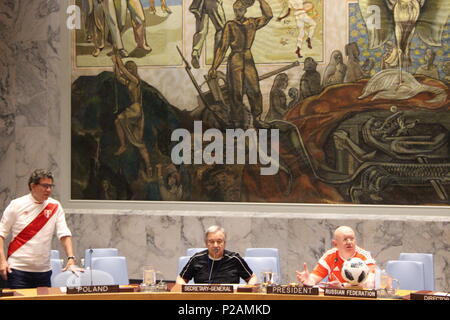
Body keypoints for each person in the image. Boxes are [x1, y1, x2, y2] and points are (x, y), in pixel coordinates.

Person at [0, 169, 80, 289]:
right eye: (45, 186)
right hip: (17, 270)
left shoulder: (55, 206)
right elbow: (1, 234)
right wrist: (2, 261)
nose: (49, 190)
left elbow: (64, 234)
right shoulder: (16, 205)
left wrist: (71, 258)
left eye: (50, 186)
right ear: (33, 186)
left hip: (43, 272)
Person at [208, 0, 273, 128]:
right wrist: (214, 67)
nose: (237, 13)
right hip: (235, 59)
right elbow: (223, 47)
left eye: (240, 10)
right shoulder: (230, 25)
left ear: (245, 10)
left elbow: (268, 16)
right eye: (235, 10)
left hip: (248, 58)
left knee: (254, 90)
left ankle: (257, 119)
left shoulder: (252, 23)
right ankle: (237, 122)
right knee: (236, 92)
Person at [111, 49, 153, 179]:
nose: (127, 70)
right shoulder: (129, 82)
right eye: (127, 68)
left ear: (133, 69)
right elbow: (118, 76)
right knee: (138, 142)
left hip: (136, 109)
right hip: (133, 110)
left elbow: (122, 69)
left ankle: (124, 146)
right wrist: (115, 64)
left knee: (119, 118)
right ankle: (148, 166)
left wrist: (117, 58)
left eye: (129, 68)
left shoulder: (135, 81)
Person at [296, 226, 376, 288]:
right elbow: (314, 278)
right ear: (335, 244)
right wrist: (309, 280)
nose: (349, 242)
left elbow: (370, 282)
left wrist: (342, 286)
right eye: (345, 239)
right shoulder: (330, 256)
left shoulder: (365, 256)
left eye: (352, 239)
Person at [176, 225, 257, 284]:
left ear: (224, 243)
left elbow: (252, 278)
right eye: (211, 241)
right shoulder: (196, 259)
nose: (215, 245)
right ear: (206, 243)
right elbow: (181, 278)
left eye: (219, 241)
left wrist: (248, 289)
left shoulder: (235, 259)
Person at [189, 0, 226, 69]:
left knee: (201, 31)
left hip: (199, 4)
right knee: (221, 29)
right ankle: (218, 56)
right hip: (213, 2)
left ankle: (195, 52)